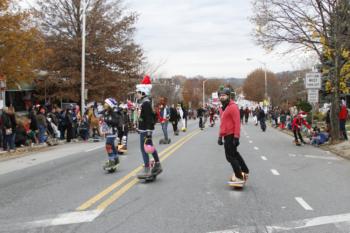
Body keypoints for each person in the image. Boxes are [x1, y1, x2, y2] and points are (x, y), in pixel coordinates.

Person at [217, 88, 249, 184]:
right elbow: (223, 123)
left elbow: (237, 122)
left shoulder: (233, 107)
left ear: (228, 96)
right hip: (226, 135)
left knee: (230, 157)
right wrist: (220, 136)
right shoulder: (223, 108)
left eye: (224, 95)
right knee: (234, 154)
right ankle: (245, 170)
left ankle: (239, 176)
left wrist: (236, 137)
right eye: (220, 95)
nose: (222, 97)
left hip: (231, 135)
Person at [136, 75, 163, 179]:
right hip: (144, 129)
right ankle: (157, 164)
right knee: (149, 147)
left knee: (144, 149)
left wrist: (147, 131)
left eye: (138, 92)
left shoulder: (146, 104)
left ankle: (147, 168)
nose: (137, 94)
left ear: (143, 93)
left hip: (146, 130)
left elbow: (148, 119)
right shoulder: (144, 103)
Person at [102, 98, 121, 170]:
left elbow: (116, 122)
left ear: (109, 105)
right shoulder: (105, 112)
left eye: (106, 103)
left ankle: (111, 160)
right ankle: (116, 159)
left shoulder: (114, 112)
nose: (104, 104)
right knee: (112, 146)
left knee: (108, 146)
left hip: (112, 131)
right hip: (107, 132)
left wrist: (107, 121)